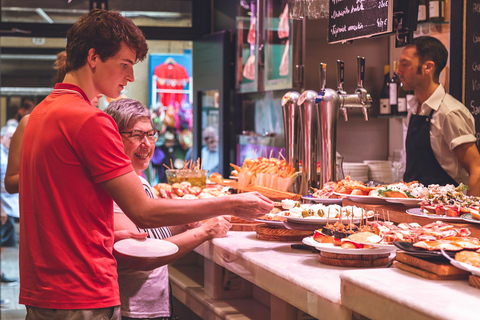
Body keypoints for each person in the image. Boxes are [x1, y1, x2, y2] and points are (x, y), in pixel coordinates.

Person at [18, 8, 272, 319]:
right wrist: (229, 204)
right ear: (93, 57)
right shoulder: (89, 120)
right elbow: (144, 212)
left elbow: (64, 203)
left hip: (45, 286)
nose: (131, 76)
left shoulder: (41, 114)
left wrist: (103, 231)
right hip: (82, 289)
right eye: (125, 64)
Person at [105, 98, 232, 320]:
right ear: (114, 138)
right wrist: (204, 232)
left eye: (150, 134)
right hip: (132, 311)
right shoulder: (115, 187)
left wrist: (183, 225)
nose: (147, 144)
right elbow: (141, 257)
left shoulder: (137, 179)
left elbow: (151, 235)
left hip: (151, 306)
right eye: (136, 135)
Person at [396, 36, 480, 196]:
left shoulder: (449, 112)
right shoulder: (415, 108)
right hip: (415, 210)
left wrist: (468, 216)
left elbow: (476, 170)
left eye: (405, 65)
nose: (398, 71)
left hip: (444, 212)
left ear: (428, 67)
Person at [1, 124, 19, 286]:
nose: (13, 141)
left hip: (9, 206)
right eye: (10, 138)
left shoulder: (8, 153)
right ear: (2, 137)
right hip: (3, 208)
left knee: (5, 244)